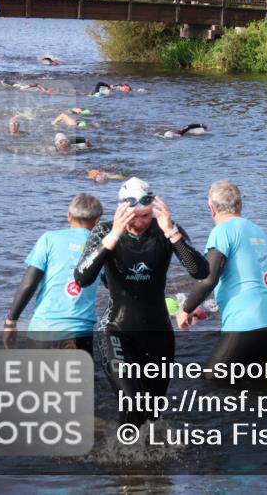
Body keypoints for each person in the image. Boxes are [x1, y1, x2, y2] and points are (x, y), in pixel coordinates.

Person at [75, 178, 208, 426]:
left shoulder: (165, 229)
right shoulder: (104, 231)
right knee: (132, 402)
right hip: (116, 330)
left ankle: (142, 458)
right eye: (133, 217)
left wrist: (171, 232)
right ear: (121, 211)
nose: (139, 223)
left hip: (158, 334)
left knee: (152, 413)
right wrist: (114, 235)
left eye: (145, 216)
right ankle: (123, 458)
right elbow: (82, 277)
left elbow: (200, 272)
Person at [177, 181, 267, 386]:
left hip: (246, 322)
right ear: (240, 205)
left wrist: (185, 309)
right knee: (260, 388)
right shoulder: (259, 231)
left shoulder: (222, 231)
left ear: (211, 208)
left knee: (211, 381)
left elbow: (209, 278)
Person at [4, 194, 104, 352]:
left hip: (43, 330)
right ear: (98, 220)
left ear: (69, 215)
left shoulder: (48, 239)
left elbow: (29, 284)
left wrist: (11, 321)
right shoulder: (102, 247)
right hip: (79, 332)